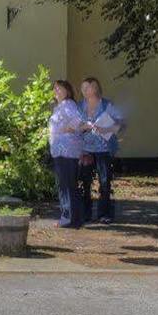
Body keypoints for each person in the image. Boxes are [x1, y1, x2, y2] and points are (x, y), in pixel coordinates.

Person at [79, 76, 125, 225]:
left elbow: (120, 124)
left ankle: (104, 214)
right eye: (83, 88)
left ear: (96, 88)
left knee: (105, 182)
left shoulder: (107, 104)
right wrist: (83, 127)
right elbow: (75, 126)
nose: (85, 90)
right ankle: (85, 214)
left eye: (88, 87)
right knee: (85, 182)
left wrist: (105, 128)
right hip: (85, 150)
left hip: (104, 149)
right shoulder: (80, 106)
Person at [48, 78, 91, 229]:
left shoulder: (68, 105)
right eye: (55, 88)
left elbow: (78, 121)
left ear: (67, 91)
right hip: (61, 150)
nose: (56, 91)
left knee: (66, 185)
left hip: (66, 150)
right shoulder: (60, 107)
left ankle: (69, 219)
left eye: (59, 88)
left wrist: (68, 129)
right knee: (66, 185)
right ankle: (74, 218)